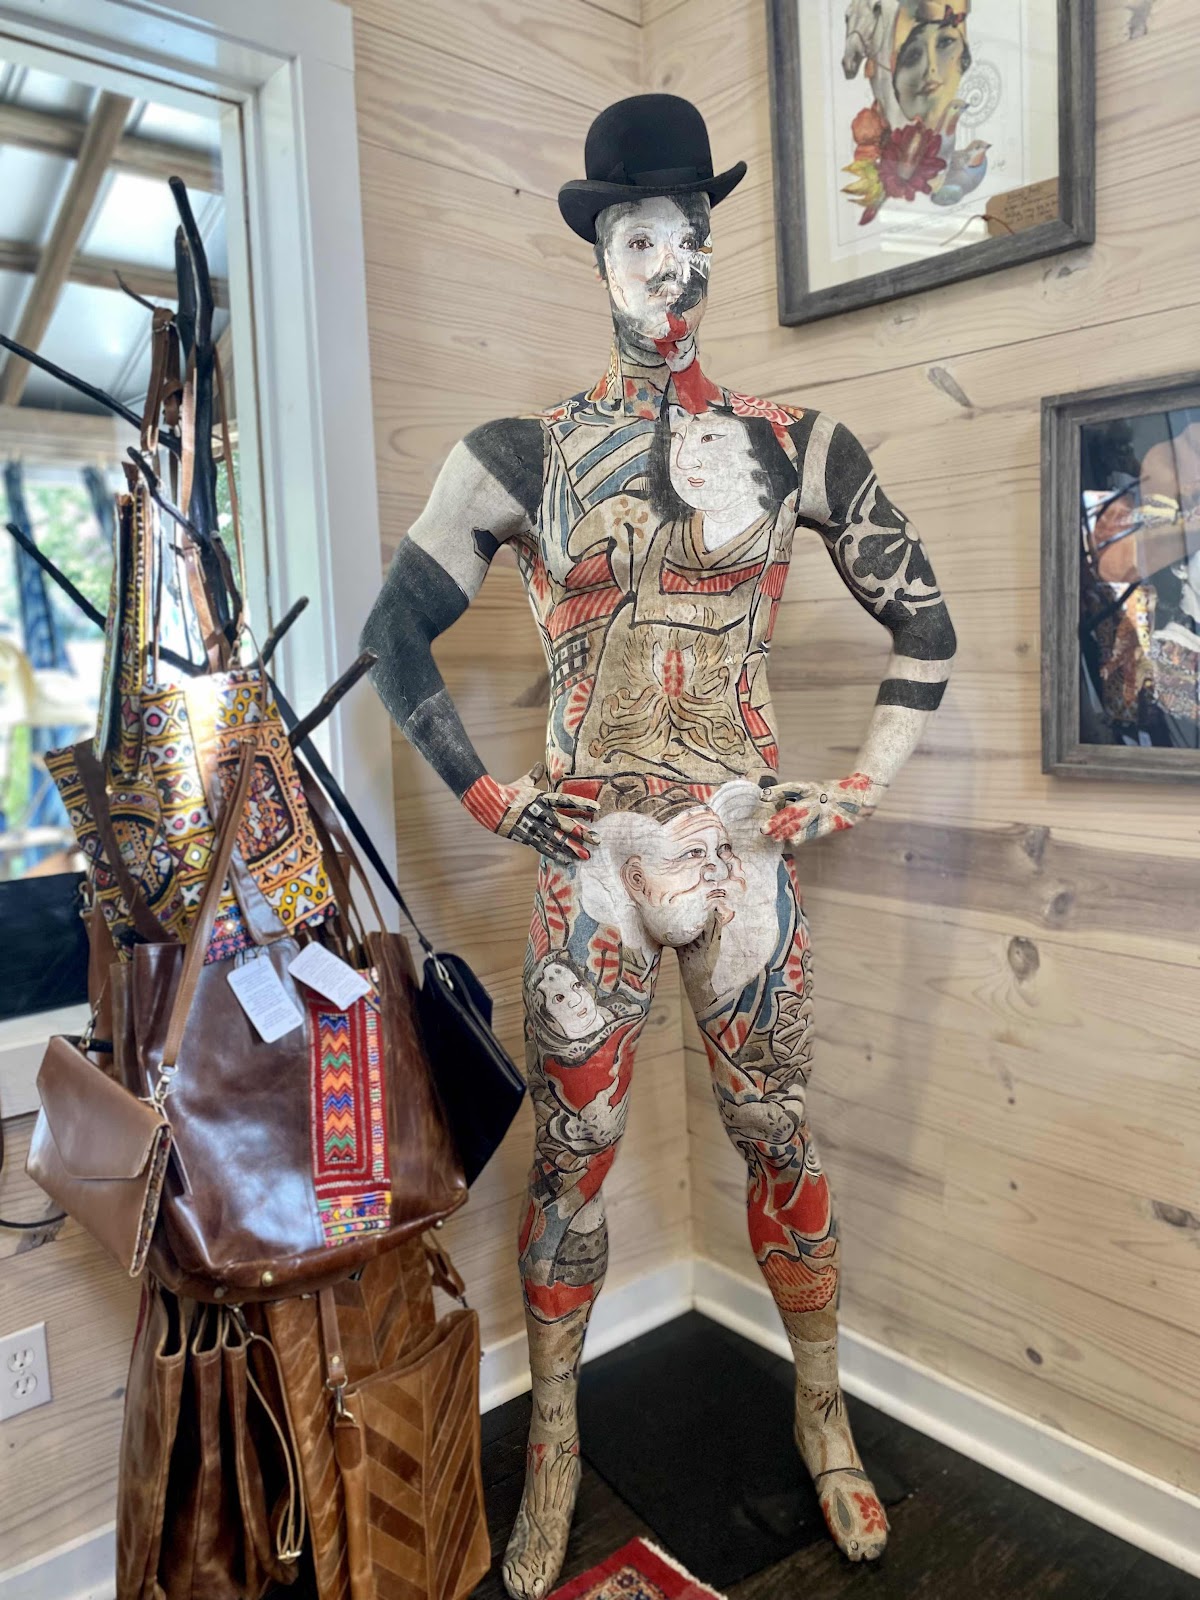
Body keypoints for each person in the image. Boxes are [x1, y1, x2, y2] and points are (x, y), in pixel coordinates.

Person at [361, 93, 956, 1597]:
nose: (670, 265)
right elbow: (392, 636)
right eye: (640, 239)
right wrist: (493, 798)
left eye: (690, 237)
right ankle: (558, 1444)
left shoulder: (796, 447)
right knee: (571, 1166)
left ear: (709, 248)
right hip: (597, 868)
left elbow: (928, 627)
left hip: (745, 857)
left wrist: (854, 789)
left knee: (781, 1139)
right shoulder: (518, 455)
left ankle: (822, 1415)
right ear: (601, 255)